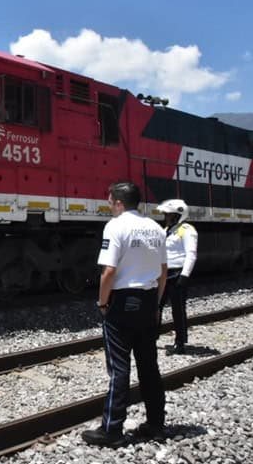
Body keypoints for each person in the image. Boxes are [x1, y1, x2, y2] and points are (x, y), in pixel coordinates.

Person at [81, 182, 168, 447]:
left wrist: (102, 303)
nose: (108, 205)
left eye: (109, 201)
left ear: (118, 202)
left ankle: (112, 430)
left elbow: (108, 272)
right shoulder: (155, 227)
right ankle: (155, 424)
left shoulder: (115, 226)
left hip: (122, 303)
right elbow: (163, 272)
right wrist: (156, 304)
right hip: (148, 300)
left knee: (119, 369)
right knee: (149, 366)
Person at [157, 199, 197, 355]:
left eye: (168, 214)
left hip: (178, 274)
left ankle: (180, 342)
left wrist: (184, 276)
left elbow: (191, 254)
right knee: (156, 306)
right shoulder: (167, 230)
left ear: (177, 215)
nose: (165, 217)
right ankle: (152, 337)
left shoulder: (187, 230)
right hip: (164, 274)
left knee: (178, 310)